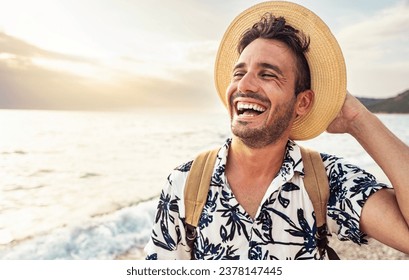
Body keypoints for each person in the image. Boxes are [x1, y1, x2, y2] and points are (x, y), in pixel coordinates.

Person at [144, 1, 409, 260]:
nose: (244, 85)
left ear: (302, 102)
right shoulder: (186, 183)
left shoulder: (326, 181)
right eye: (238, 73)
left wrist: (357, 120)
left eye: (267, 74)